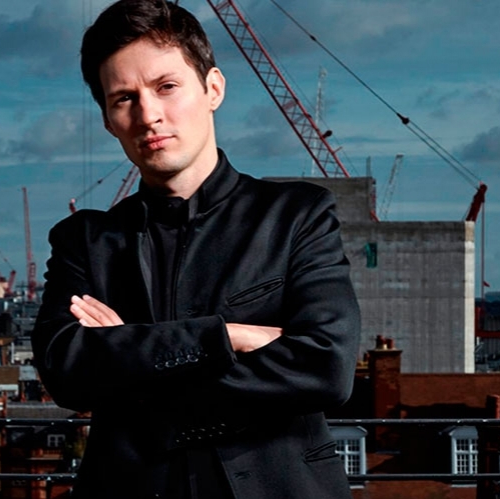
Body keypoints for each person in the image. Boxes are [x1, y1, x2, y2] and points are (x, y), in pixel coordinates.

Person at [31, 1, 361, 497]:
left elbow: (327, 368)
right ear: (107, 120)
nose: (148, 115)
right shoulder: (84, 239)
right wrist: (227, 337)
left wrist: (133, 354)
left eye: (166, 87)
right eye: (124, 98)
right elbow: (67, 374)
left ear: (213, 89)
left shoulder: (297, 215)